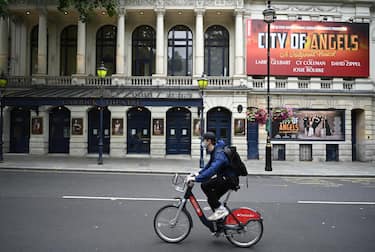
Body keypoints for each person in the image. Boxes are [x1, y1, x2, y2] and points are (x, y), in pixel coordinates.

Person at [187, 132, 239, 221]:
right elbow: (209, 166)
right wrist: (198, 173)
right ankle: (219, 218)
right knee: (207, 190)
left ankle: (221, 210)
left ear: (209, 141)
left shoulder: (219, 154)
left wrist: (196, 179)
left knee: (210, 196)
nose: (202, 142)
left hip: (229, 180)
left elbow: (212, 170)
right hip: (224, 178)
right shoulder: (214, 151)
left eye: (203, 140)